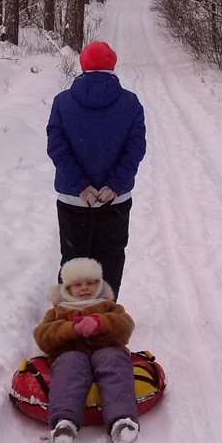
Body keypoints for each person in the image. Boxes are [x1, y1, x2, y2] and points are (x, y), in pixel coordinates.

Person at [46, 40, 146, 298]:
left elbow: (57, 148)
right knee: (110, 256)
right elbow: (135, 150)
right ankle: (106, 316)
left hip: (72, 199)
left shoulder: (62, 102)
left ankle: (69, 318)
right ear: (112, 67)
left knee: (74, 258)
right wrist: (114, 185)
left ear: (83, 67)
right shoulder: (131, 103)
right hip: (115, 200)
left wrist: (81, 186)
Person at [33, 257, 139, 443]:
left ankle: (121, 421)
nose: (84, 288)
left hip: (106, 349)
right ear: (67, 288)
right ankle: (65, 424)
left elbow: (126, 326)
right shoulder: (58, 311)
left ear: (99, 285)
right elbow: (42, 337)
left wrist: (101, 323)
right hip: (70, 353)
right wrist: (69, 329)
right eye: (78, 284)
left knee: (114, 362)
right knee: (69, 367)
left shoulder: (108, 305)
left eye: (90, 283)